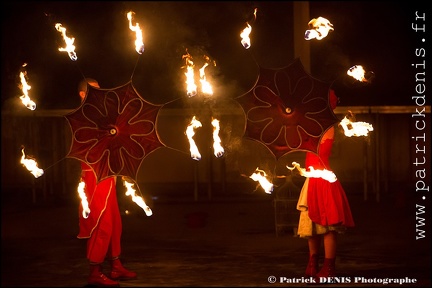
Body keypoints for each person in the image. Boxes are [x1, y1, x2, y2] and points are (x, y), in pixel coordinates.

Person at [77, 78, 137, 287]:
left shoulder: (100, 116)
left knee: (115, 221)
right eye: (94, 92)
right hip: (94, 174)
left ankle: (116, 265)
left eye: (100, 91)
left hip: (108, 173)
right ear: (83, 95)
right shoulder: (82, 116)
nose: (99, 96)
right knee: (102, 222)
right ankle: (95, 271)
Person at [296, 89, 355, 282]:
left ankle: (329, 268)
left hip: (324, 179)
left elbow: (321, 150)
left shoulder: (328, 125)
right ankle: (312, 264)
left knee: (328, 226)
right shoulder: (309, 124)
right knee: (311, 226)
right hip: (311, 179)